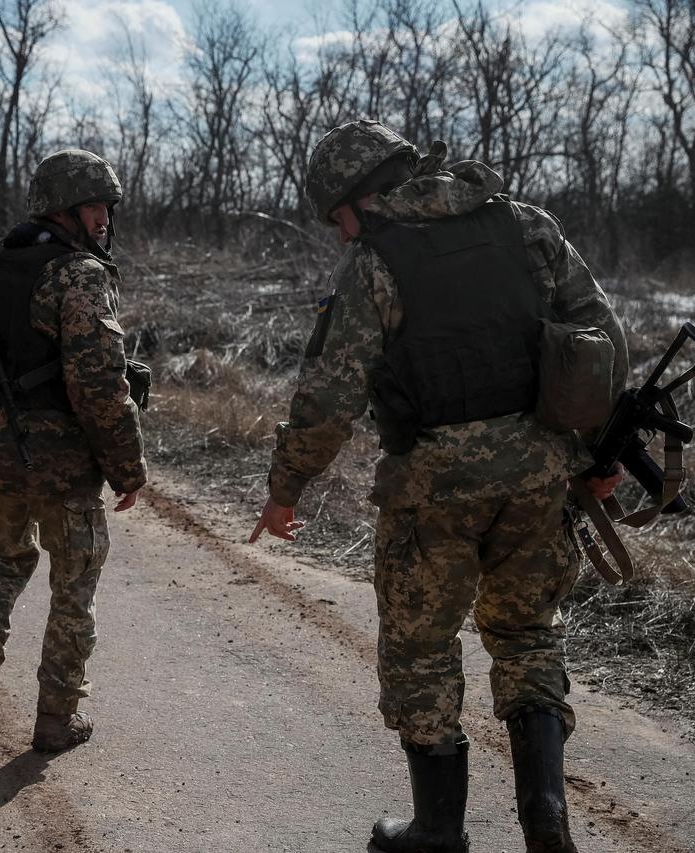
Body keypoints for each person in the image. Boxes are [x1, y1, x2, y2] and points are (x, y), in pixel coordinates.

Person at [248, 120, 627, 853]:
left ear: (357, 200)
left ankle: (437, 830)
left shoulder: (372, 264)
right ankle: (544, 812)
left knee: (421, 650)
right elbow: (601, 334)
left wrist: (285, 488)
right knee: (526, 636)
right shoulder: (524, 224)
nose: (338, 235)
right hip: (540, 477)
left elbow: (330, 396)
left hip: (433, 491)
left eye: (336, 219)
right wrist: (602, 446)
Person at [0, 149, 147, 753]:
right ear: (67, 211)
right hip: (63, 467)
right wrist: (128, 468)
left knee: (2, 562)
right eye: (96, 207)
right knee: (73, 584)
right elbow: (101, 386)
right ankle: (57, 717)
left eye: (107, 207)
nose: (105, 219)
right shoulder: (78, 275)